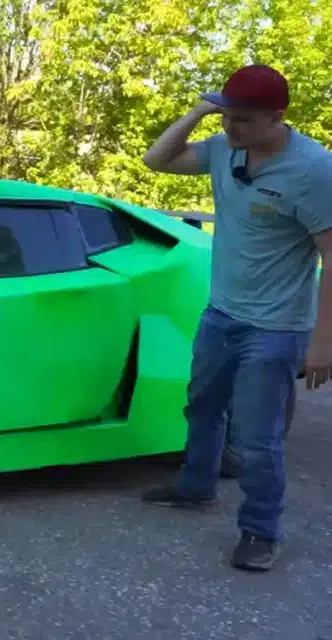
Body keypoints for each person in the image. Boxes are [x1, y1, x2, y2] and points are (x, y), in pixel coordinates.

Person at [139, 64, 332, 572]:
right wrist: (203, 109)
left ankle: (260, 530)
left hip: (276, 328)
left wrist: (325, 342)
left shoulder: (314, 171)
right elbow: (156, 160)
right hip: (221, 312)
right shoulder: (226, 147)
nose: (231, 130)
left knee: (256, 436)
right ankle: (196, 487)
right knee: (202, 406)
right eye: (227, 118)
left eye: (242, 121)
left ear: (277, 117)